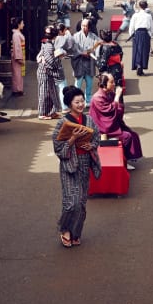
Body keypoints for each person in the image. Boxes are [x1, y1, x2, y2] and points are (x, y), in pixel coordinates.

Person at [52, 86, 101, 248]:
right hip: (69, 165)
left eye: (82, 101)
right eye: (77, 102)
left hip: (84, 162)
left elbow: (97, 136)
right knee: (70, 202)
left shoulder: (89, 120)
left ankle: (75, 232)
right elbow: (58, 148)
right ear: (69, 104)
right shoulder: (62, 122)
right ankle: (65, 228)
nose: (81, 104)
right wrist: (72, 139)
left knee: (80, 201)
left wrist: (91, 145)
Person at [90, 73, 142, 167]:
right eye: (111, 82)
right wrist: (117, 97)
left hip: (111, 124)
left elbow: (117, 109)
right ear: (104, 84)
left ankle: (128, 158)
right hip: (102, 128)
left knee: (133, 134)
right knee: (127, 136)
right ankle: (124, 160)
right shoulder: (97, 97)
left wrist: (118, 101)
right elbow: (109, 112)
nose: (114, 84)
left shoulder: (109, 93)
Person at [72, 19, 100, 105]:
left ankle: (88, 100)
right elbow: (74, 48)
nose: (84, 27)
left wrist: (95, 54)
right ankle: (76, 101)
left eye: (86, 26)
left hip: (89, 62)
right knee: (78, 84)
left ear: (89, 27)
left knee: (89, 84)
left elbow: (98, 45)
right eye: (82, 25)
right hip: (79, 62)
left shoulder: (94, 36)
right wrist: (81, 53)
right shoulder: (75, 36)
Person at [36, 25, 62, 119]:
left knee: (52, 92)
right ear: (55, 36)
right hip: (45, 72)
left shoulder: (45, 43)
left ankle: (51, 112)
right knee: (45, 92)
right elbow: (51, 62)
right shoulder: (49, 46)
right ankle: (43, 113)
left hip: (46, 71)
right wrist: (59, 58)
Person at [128, 0, 153, 76]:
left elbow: (131, 26)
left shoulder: (135, 15)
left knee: (137, 50)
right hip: (145, 33)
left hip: (137, 33)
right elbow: (151, 27)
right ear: (146, 6)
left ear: (139, 6)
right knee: (145, 51)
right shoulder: (148, 16)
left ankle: (137, 65)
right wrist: (150, 35)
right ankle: (142, 67)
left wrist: (131, 34)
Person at [54, 22, 75, 110]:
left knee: (54, 87)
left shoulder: (52, 38)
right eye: (64, 30)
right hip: (57, 65)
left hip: (50, 66)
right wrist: (68, 34)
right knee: (62, 85)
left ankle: (55, 107)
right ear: (61, 31)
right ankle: (64, 107)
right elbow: (70, 45)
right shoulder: (61, 38)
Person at [10, 17, 26, 97]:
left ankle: (19, 89)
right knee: (17, 74)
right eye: (22, 23)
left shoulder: (16, 34)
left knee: (19, 74)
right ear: (18, 24)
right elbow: (17, 48)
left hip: (19, 55)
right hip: (17, 57)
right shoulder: (16, 35)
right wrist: (19, 58)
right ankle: (16, 90)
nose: (23, 25)